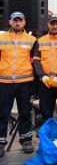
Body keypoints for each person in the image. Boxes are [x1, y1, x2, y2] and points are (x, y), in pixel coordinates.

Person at [0, 12, 37, 156]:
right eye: (15, 21)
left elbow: (35, 62)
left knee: (25, 113)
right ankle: (1, 142)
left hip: (24, 82)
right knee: (2, 113)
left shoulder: (32, 40)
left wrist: (34, 84)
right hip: (4, 81)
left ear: (24, 22)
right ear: (9, 22)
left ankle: (26, 140)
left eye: (19, 21)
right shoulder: (1, 38)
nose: (17, 23)